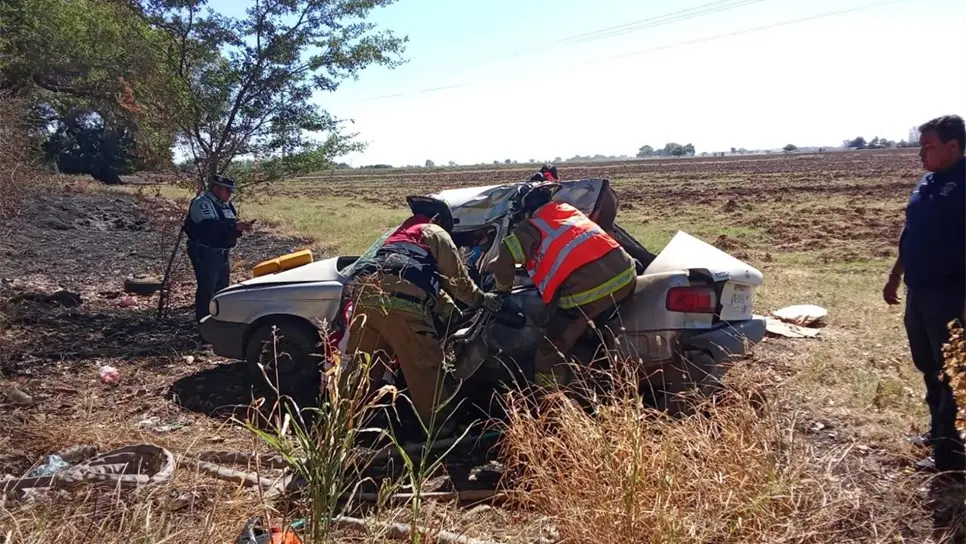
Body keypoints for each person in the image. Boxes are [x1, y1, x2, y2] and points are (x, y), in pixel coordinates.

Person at [343, 196, 503, 430]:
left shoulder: (398, 237)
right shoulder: (435, 232)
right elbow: (458, 283)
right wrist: (482, 299)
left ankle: (340, 429)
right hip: (400, 306)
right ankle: (442, 432)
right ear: (438, 219)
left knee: (361, 369)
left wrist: (452, 312)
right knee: (425, 370)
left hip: (365, 301)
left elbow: (422, 282)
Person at [485, 182, 637, 389]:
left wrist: (500, 292)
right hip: (626, 274)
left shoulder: (531, 227)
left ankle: (550, 403)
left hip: (591, 292)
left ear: (523, 210)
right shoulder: (566, 211)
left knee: (549, 351)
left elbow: (505, 263)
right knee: (584, 335)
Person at [883, 114, 966, 473]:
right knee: (929, 367)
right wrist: (895, 274)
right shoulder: (928, 182)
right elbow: (911, 231)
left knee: (953, 372)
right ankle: (938, 435)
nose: (921, 153)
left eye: (928, 147)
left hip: (952, 294)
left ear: (954, 146)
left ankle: (952, 455)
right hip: (919, 291)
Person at [184, 174, 254, 324]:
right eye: (227, 190)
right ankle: (204, 325)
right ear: (216, 188)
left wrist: (239, 229)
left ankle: (218, 323)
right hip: (205, 253)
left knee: (221, 290)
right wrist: (234, 226)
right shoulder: (202, 203)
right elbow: (209, 227)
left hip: (222, 253)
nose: (230, 194)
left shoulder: (226, 205)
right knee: (207, 290)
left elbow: (227, 227)